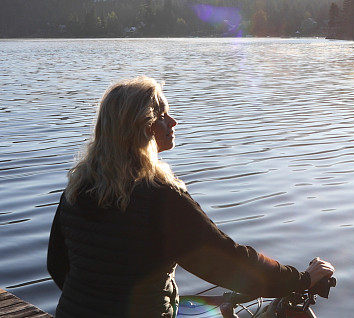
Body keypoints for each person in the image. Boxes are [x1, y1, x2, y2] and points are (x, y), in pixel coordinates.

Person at [47, 76, 334, 317]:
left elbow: (57, 266)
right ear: (143, 127)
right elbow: (229, 262)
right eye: (162, 115)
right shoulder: (161, 198)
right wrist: (302, 279)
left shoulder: (78, 189)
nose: (173, 122)